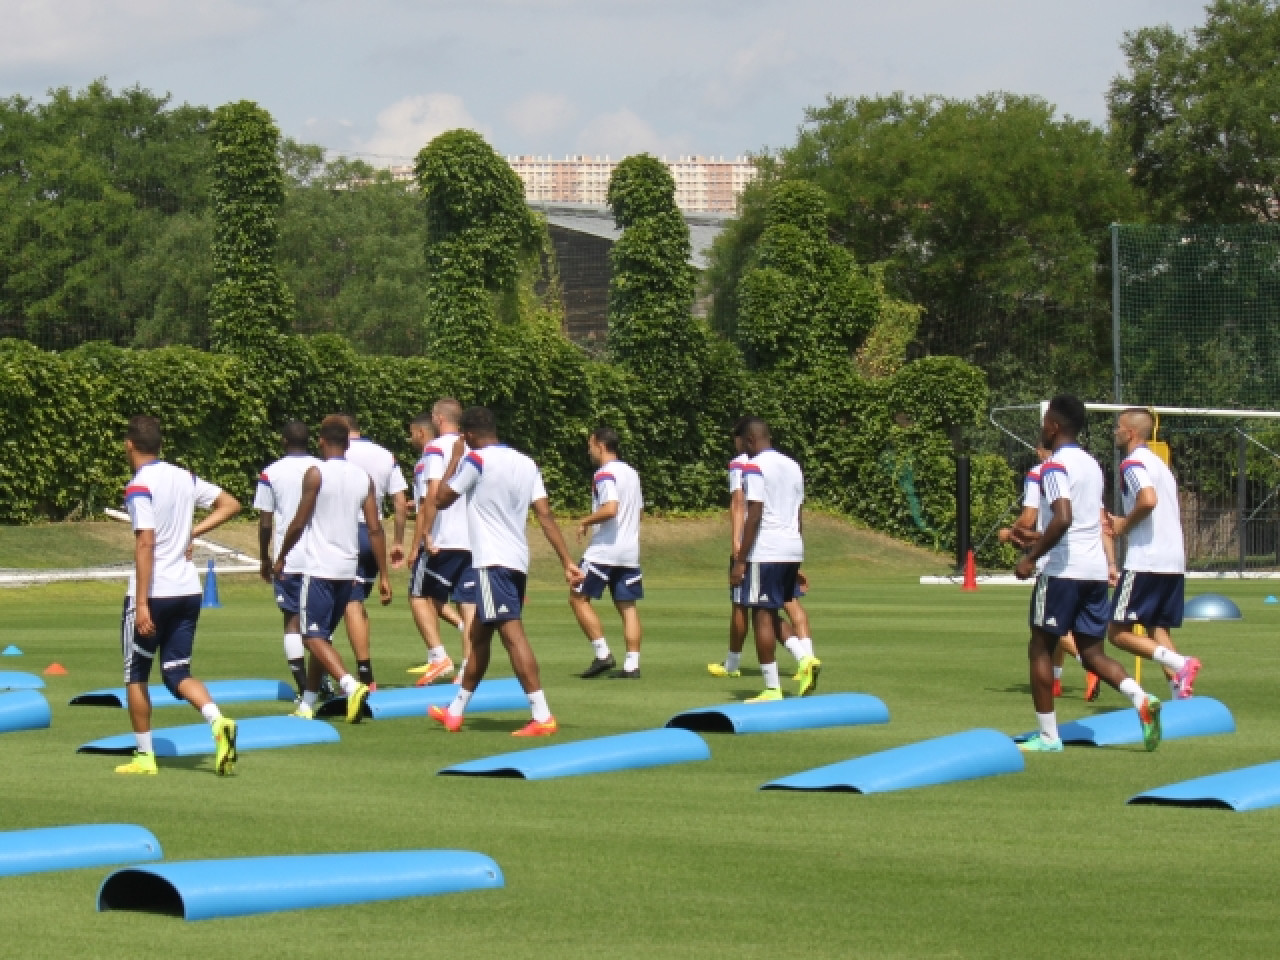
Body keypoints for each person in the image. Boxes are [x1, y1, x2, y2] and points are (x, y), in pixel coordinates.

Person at [1014, 395, 1162, 753]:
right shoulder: (1094, 465)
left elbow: (1063, 517)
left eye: (1045, 423)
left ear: (1053, 426)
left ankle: (1049, 737)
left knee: (1040, 649)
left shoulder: (1054, 467)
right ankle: (1141, 697)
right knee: (1092, 652)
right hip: (1094, 570)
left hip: (1064, 569)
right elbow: (1091, 520)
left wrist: (1031, 556)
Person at [428, 406, 580, 736]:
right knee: (479, 637)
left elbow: (439, 499)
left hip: (491, 562)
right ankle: (455, 712)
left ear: (467, 436)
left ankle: (542, 715)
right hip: (516, 561)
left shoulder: (476, 460)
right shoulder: (527, 464)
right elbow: (545, 516)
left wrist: (454, 458)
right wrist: (567, 560)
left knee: (512, 635)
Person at [115, 415, 242, 776]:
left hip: (155, 593)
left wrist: (140, 604)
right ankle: (218, 721)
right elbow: (230, 504)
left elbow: (145, 541)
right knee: (176, 672)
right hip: (188, 590)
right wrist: (191, 534)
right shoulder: (183, 476)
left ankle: (145, 756)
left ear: (129, 445)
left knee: (135, 674)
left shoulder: (139, 486)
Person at [276, 415, 392, 723]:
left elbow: (299, 521)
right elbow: (376, 529)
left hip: (319, 569)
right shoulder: (362, 477)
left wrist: (280, 556)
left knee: (309, 636)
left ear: (322, 441)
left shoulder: (316, 473)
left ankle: (350, 684)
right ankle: (307, 704)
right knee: (322, 637)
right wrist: (384, 576)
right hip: (348, 570)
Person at [1106, 408, 1201, 699]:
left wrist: (1123, 524)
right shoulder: (1159, 465)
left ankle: (1181, 663)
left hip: (1146, 560)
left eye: (1118, 428)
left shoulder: (1132, 464)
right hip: (1172, 561)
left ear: (1130, 433)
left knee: (1117, 633)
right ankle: (1180, 697)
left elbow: (1148, 500)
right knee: (1158, 630)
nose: (1114, 432)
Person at [709, 420, 815, 680]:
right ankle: (805, 658)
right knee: (771, 610)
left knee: (761, 616)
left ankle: (773, 686)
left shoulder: (754, 466)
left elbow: (753, 512)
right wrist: (795, 561)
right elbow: (798, 514)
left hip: (765, 549)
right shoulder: (793, 466)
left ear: (749, 441)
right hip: (791, 547)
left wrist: (740, 560)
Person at [999, 448, 1097, 700]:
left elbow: (1029, 517)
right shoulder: (1090, 468)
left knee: (1048, 626)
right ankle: (1055, 679)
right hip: (1090, 558)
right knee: (1061, 622)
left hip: (1055, 557)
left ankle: (1089, 663)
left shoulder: (1039, 472)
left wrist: (1012, 532)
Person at [406, 400, 475, 685]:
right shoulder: (473, 448)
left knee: (418, 595)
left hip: (444, 538)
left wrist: (422, 538)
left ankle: (438, 657)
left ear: (437, 418)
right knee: (468, 605)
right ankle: (468, 668)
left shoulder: (435, 450)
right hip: (472, 540)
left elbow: (432, 496)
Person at [340, 413, 408, 691]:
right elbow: (400, 501)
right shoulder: (385, 455)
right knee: (358, 603)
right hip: (374, 533)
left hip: (347, 533)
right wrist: (398, 541)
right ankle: (362, 669)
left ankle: (364, 676)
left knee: (348, 603)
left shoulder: (336, 455)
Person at [571, 426, 645, 679]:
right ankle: (632, 665)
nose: (589, 450)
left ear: (600, 445)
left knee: (577, 597)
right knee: (627, 607)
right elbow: (638, 512)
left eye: (590, 445)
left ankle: (602, 654)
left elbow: (610, 508)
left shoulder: (604, 474)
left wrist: (585, 521)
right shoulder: (632, 473)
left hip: (605, 550)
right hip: (629, 552)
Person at [254, 420, 321, 697]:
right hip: (321, 558)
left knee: (292, 620)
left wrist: (264, 558)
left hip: (289, 559)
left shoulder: (271, 473)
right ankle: (322, 682)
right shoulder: (322, 468)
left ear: (283, 441)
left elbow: (266, 521)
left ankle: (305, 684)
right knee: (319, 623)